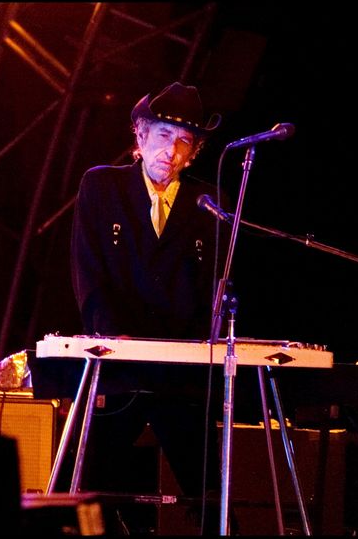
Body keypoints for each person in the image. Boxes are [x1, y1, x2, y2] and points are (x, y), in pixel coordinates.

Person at [68, 82, 228, 533]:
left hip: (183, 375)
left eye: (184, 142)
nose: (171, 150)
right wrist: (109, 333)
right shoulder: (101, 185)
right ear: (140, 136)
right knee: (89, 489)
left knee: (209, 494)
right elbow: (88, 271)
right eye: (163, 135)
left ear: (193, 152)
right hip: (121, 370)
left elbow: (215, 285)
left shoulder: (207, 202)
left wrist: (202, 346)